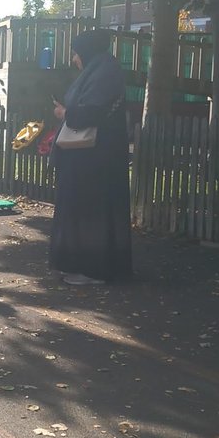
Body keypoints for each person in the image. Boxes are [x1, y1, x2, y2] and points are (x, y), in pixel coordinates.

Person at [49, 29, 133, 285]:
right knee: (79, 209)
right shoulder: (100, 70)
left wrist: (65, 113)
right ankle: (77, 264)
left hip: (96, 161)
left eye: (75, 53)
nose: (74, 59)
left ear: (86, 51)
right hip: (87, 158)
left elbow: (91, 111)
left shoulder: (105, 72)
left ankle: (93, 269)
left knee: (90, 211)